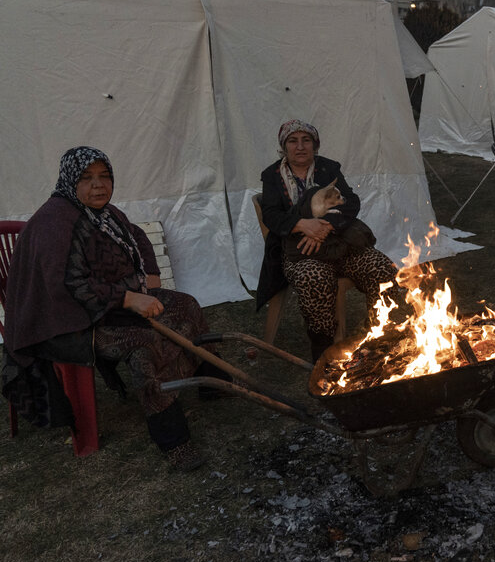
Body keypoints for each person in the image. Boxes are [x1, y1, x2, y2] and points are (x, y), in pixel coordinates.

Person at [1, 146, 211, 471]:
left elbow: (137, 235)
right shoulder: (54, 222)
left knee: (187, 305)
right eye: (87, 177)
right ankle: (174, 442)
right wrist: (128, 298)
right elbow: (65, 287)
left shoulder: (103, 213)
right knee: (143, 344)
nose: (99, 185)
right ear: (70, 180)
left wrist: (149, 275)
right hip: (67, 323)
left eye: (105, 176)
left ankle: (211, 383)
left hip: (105, 304)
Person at [255, 120, 398, 361]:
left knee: (382, 269)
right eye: (293, 141)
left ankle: (376, 334)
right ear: (284, 146)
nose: (300, 146)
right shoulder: (272, 175)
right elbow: (270, 214)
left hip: (339, 244)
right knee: (314, 278)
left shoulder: (328, 169)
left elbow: (350, 201)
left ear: (315, 145)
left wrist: (327, 226)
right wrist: (303, 225)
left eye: (306, 140)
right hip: (301, 249)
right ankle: (323, 348)